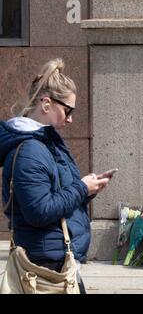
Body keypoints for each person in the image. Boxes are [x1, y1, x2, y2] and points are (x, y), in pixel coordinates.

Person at [0, 58, 115, 294]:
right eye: (67, 110)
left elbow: (59, 193)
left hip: (56, 259)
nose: (71, 118)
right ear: (46, 104)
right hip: (44, 265)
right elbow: (40, 211)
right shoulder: (31, 151)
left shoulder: (46, 143)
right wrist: (81, 189)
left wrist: (88, 188)